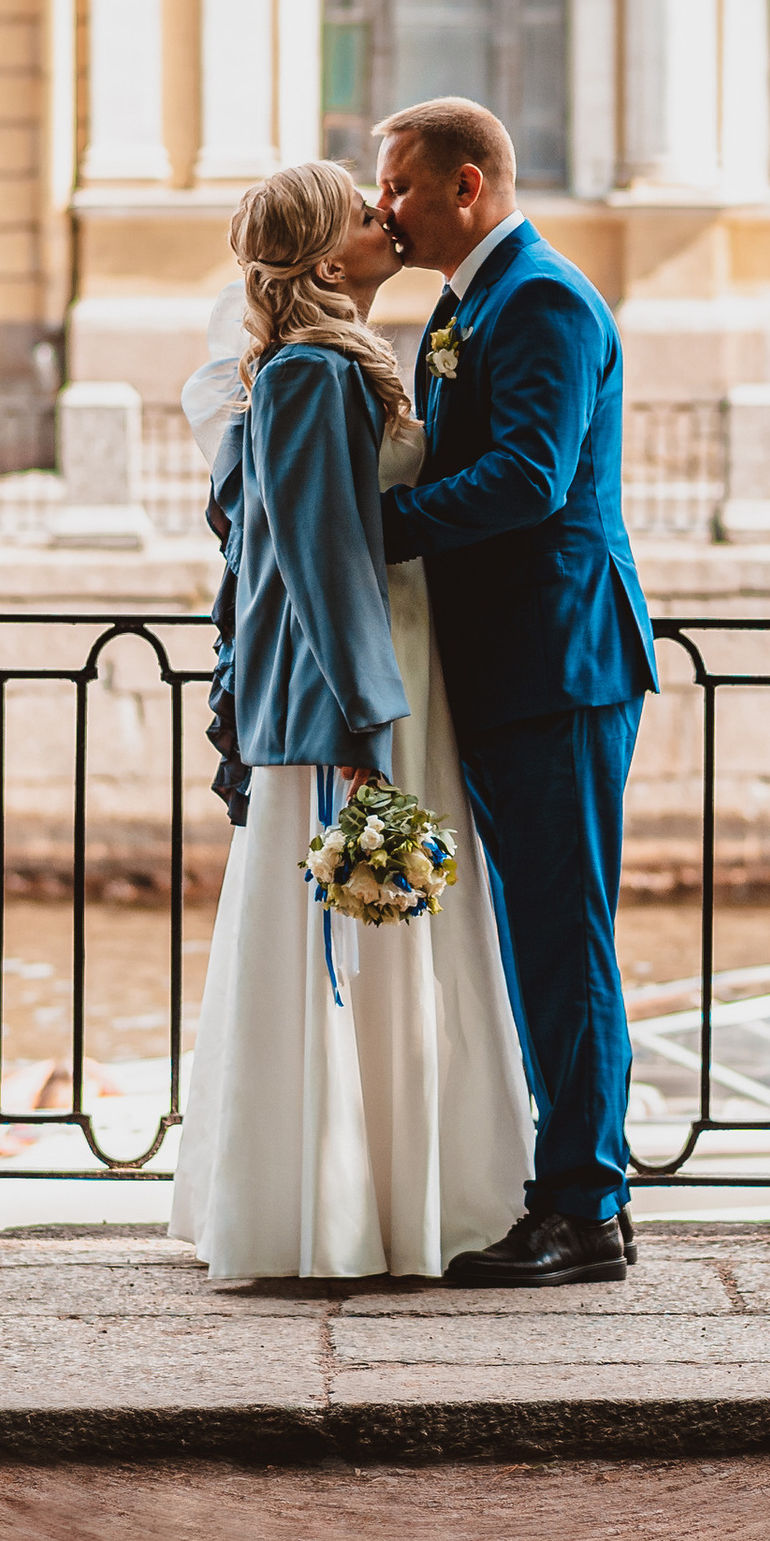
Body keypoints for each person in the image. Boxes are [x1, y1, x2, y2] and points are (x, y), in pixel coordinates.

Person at [169, 161, 534, 1283]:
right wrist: (370, 730)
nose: (388, 221)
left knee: (361, 943)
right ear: (331, 260)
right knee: (359, 941)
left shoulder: (307, 367)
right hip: (353, 696)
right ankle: (353, 1210)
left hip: (370, 678)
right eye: (366, 214)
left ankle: (341, 1199)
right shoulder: (316, 375)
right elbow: (329, 565)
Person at [373, 98, 659, 1290]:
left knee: (563, 937)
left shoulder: (536, 298)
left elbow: (529, 479)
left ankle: (586, 1208)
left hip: (558, 662)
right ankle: (571, 1190)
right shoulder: (469, 301)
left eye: (398, 186)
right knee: (541, 936)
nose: (383, 208)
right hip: (515, 664)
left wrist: (374, 528)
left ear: (468, 186)